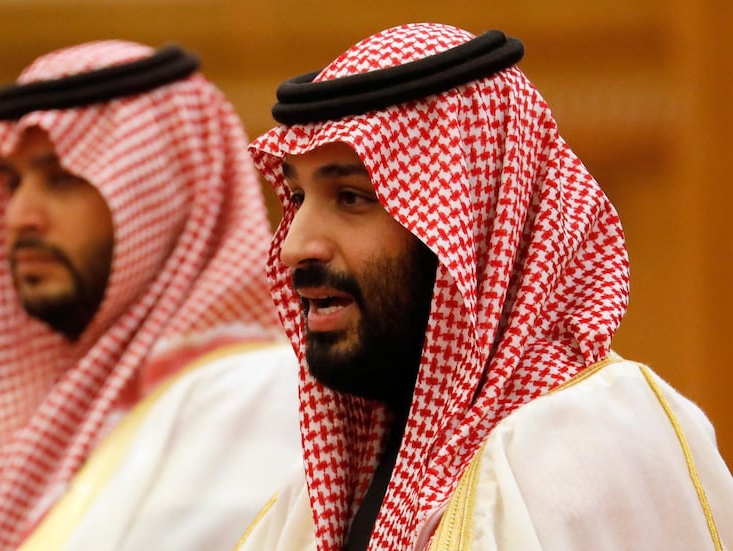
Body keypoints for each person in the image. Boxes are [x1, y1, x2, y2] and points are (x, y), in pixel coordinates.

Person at [237, 23, 733, 550]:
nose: (294, 246)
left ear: (475, 225)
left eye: (352, 197)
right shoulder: (325, 499)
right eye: (296, 197)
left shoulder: (586, 450)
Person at [0, 40, 302, 550]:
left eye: (62, 179)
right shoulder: (8, 412)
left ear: (161, 194)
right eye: (11, 181)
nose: (19, 215)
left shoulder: (251, 391)